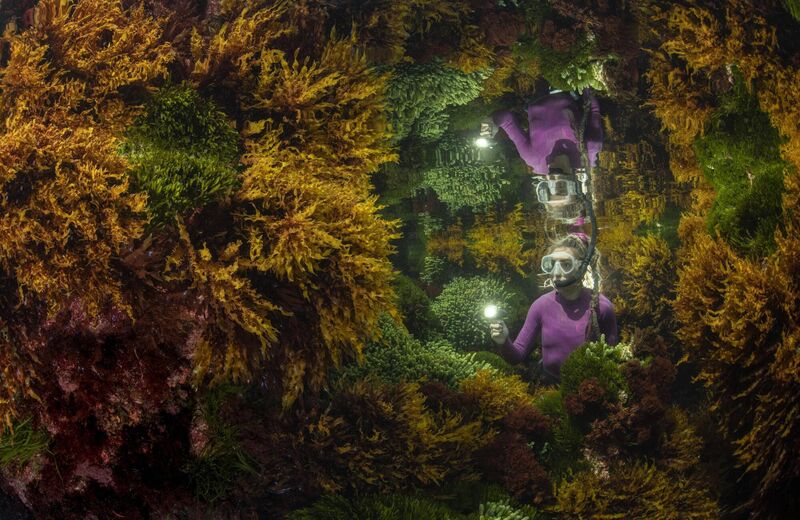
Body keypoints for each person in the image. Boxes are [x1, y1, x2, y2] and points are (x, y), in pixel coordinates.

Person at [489, 234, 618, 385]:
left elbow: (612, 360)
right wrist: (503, 341)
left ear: (582, 268)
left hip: (591, 389)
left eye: (566, 264)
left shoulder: (603, 307)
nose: (556, 273)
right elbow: (516, 357)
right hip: (550, 388)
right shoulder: (540, 306)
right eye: (551, 264)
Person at [491, 89, 602, 228]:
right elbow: (594, 111)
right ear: (576, 186)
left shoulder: (532, 158)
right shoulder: (589, 151)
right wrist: (585, 82)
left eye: (548, 190)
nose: (553, 181)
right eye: (561, 188)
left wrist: (491, 122)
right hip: (570, 86)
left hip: (536, 86)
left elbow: (506, 119)